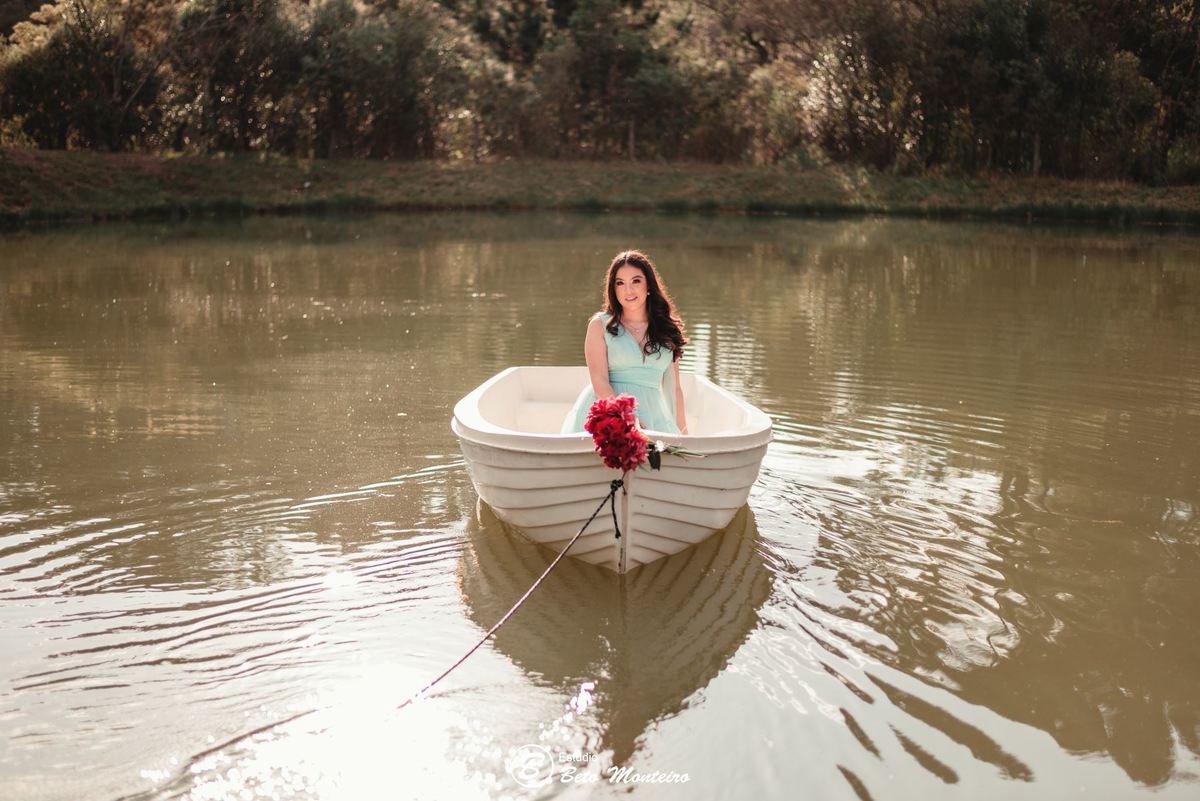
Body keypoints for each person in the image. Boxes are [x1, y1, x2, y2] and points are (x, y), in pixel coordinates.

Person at [560, 249, 689, 435]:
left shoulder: (667, 330)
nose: (628, 290)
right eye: (620, 283)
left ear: (649, 285)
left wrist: (684, 435)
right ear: (614, 289)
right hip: (609, 410)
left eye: (636, 281)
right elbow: (599, 379)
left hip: (653, 416)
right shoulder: (600, 325)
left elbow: (674, 388)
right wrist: (624, 416)